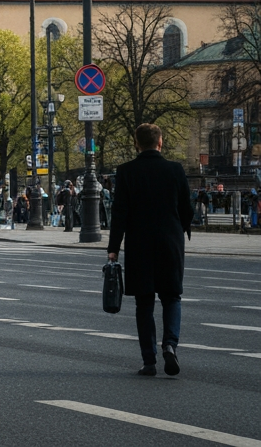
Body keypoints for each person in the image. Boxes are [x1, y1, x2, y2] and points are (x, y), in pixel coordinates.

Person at [108, 123, 192, 377]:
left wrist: (114, 248)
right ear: (160, 142)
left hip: (139, 243)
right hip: (170, 241)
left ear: (136, 143)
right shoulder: (175, 169)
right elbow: (186, 206)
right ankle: (170, 344)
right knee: (171, 296)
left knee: (144, 302)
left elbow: (119, 212)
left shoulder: (126, 172)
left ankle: (149, 361)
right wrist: (185, 228)